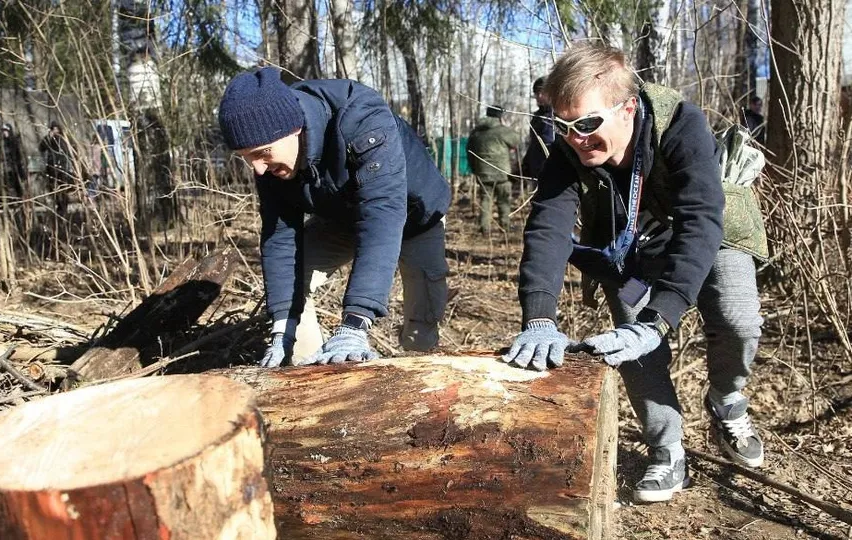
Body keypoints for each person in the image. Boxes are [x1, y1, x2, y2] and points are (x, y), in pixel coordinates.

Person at [502, 43, 768, 503]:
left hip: (710, 231)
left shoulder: (681, 123)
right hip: (630, 242)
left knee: (737, 318)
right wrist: (539, 316)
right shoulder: (569, 148)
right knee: (632, 342)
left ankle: (728, 400)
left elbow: (701, 222)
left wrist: (662, 316)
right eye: (562, 126)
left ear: (627, 108)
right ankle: (667, 451)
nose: (573, 138)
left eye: (585, 124)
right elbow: (547, 227)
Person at [217, 67, 451, 367]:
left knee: (421, 328)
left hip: (416, 216)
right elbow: (280, 238)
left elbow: (382, 216)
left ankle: (421, 386)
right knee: (295, 278)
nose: (258, 169)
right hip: (340, 217)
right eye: (247, 157)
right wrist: (281, 331)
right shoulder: (271, 163)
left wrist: (353, 326)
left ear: (294, 128)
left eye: (263, 153)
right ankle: (307, 374)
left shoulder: (362, 118)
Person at [466, 105, 521, 233]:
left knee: (485, 201)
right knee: (504, 201)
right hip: (502, 173)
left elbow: (469, 151)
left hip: (483, 173)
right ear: (500, 116)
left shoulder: (476, 132)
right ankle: (505, 227)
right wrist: (506, 125)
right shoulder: (502, 131)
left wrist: (475, 169)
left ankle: (484, 229)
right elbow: (516, 140)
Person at [521, 77, 556, 182]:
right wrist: (526, 163)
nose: (539, 96)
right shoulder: (537, 117)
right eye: (536, 93)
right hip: (536, 168)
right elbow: (535, 143)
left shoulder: (558, 115)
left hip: (553, 169)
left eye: (542, 93)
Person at [39, 121, 75, 216]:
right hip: (52, 166)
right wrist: (48, 138)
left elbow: (70, 151)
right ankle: (58, 204)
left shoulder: (63, 138)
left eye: (56, 129)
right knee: (52, 188)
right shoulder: (49, 139)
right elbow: (41, 147)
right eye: (53, 129)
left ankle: (63, 207)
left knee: (62, 188)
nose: (55, 131)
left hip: (62, 167)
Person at [0, 123, 26, 199]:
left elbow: (19, 155)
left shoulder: (14, 141)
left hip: (16, 166)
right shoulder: (2, 142)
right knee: (10, 185)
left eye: (6, 131)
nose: (5, 133)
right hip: (7, 167)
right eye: (3, 131)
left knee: (18, 185)